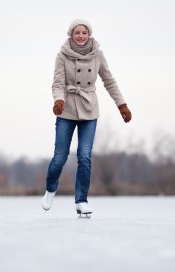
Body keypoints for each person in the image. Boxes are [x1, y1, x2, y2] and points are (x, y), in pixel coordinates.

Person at [42, 19, 131, 216]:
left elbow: (109, 80)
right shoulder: (62, 55)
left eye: (84, 32)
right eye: (77, 32)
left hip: (89, 109)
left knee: (84, 156)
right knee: (59, 157)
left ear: (89, 34)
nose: (81, 36)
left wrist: (121, 104)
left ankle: (81, 200)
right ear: (71, 35)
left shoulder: (97, 54)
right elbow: (57, 83)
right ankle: (50, 188)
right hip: (66, 109)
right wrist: (59, 101)